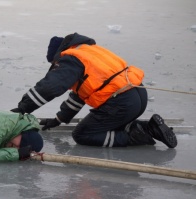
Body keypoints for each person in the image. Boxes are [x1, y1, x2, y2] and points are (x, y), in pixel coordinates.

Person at [11, 32, 177, 148]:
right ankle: (151, 127)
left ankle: (135, 135)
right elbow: (81, 95)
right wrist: (59, 118)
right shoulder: (89, 52)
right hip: (138, 94)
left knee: (83, 134)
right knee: (107, 124)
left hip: (120, 103)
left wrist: (22, 109)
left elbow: (50, 87)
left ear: (58, 55)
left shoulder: (71, 59)